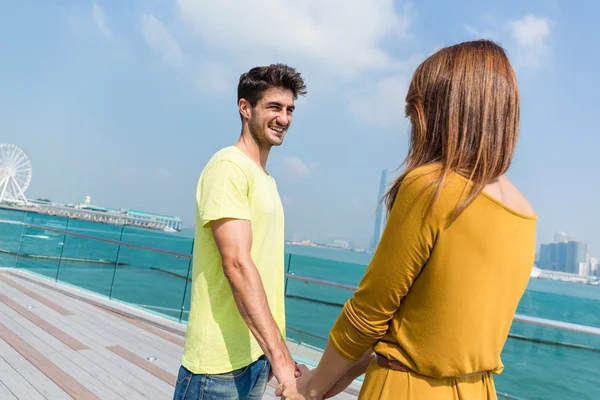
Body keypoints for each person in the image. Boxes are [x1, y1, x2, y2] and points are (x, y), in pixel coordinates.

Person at [276, 40, 537, 400]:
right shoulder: (524, 213)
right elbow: (421, 326)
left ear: (441, 111)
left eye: (415, 111)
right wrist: (325, 384)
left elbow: (369, 314)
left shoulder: (432, 187)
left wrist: (310, 388)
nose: (413, 125)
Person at [173, 64, 307, 400]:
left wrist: (277, 353)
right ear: (245, 108)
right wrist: (281, 359)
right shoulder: (228, 167)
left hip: (254, 357)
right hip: (217, 369)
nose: (284, 119)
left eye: (289, 110)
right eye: (274, 107)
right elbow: (236, 264)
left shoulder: (265, 179)